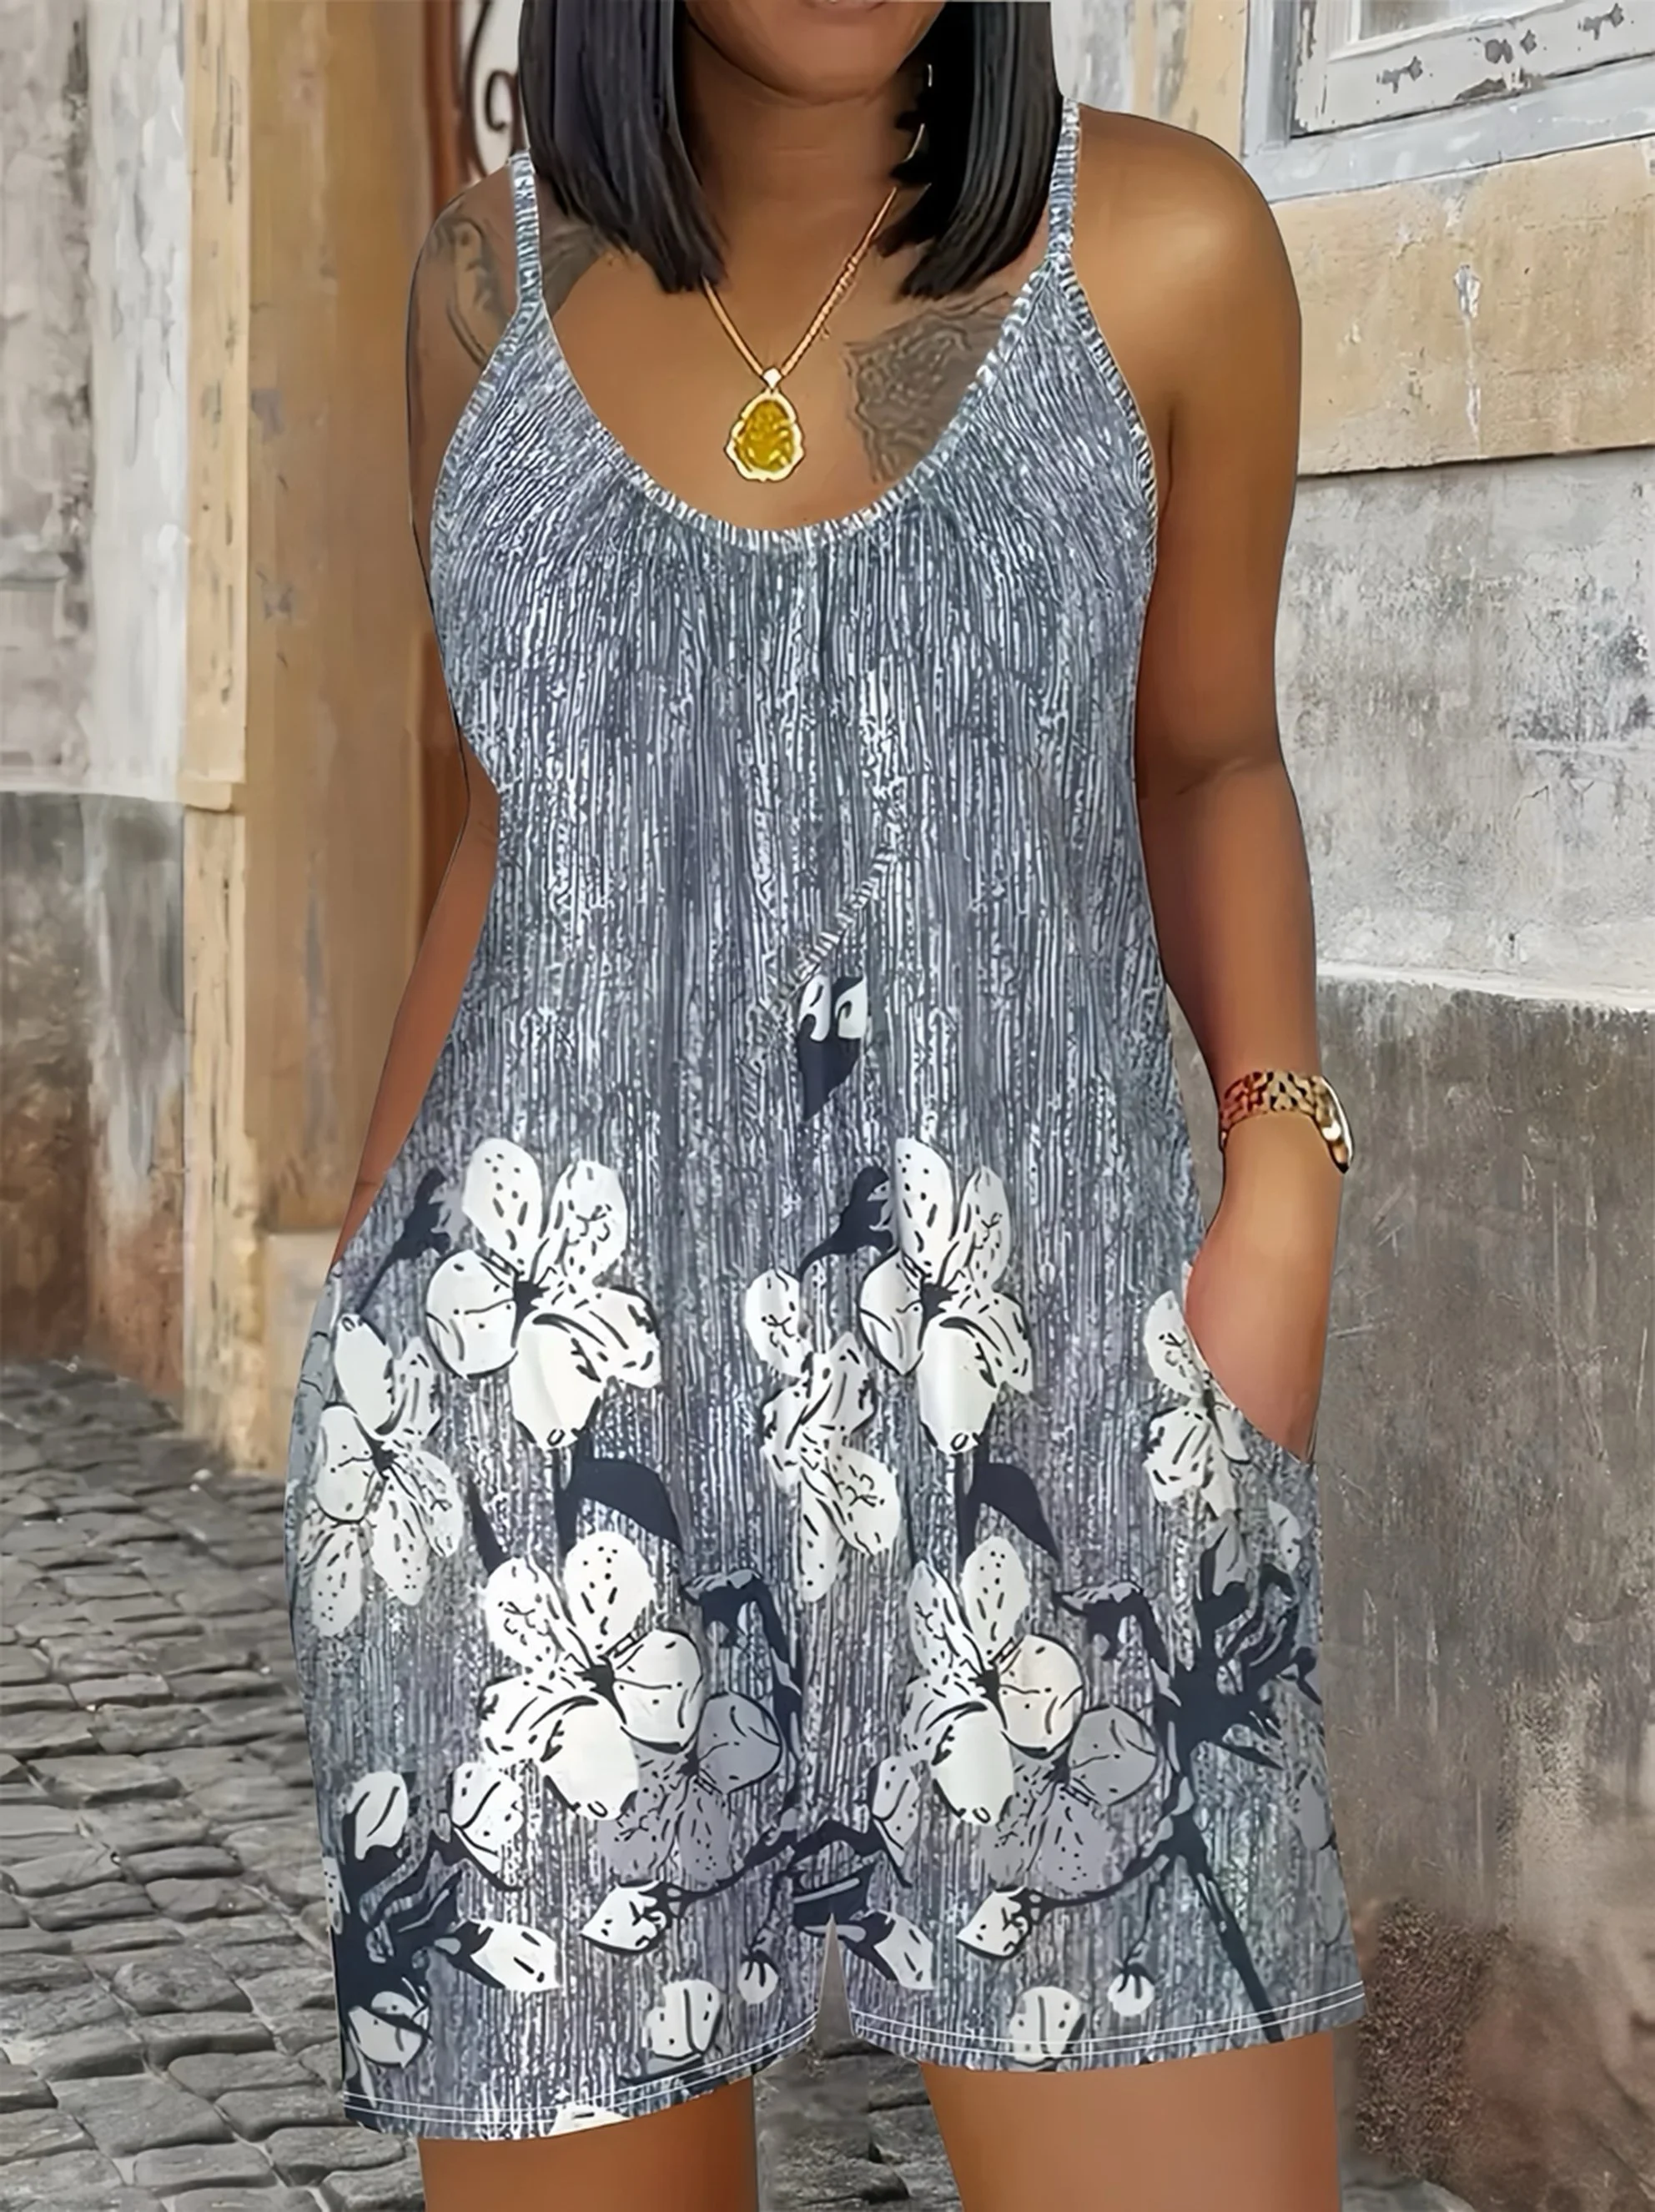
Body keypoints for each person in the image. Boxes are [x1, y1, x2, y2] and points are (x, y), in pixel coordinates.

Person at [283, 3, 1368, 2208]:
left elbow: (1209, 758)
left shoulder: (1163, 251)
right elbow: (502, 819)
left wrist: (1282, 1178)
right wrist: (372, 1282)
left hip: (1043, 1390)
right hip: (546, 1438)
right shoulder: (487, 290)